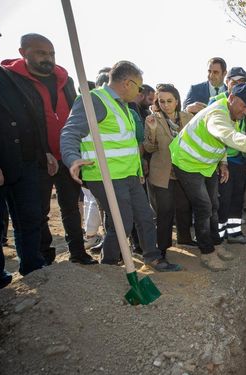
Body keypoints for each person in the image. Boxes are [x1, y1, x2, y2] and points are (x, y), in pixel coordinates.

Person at [61, 60, 180, 272]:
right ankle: (109, 264)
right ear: (127, 83)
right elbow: (70, 131)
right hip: (106, 175)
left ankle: (152, 257)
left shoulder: (124, 106)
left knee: (145, 217)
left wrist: (138, 170)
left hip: (130, 175)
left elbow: (126, 143)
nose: (140, 91)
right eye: (139, 86)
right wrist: (71, 158)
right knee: (122, 222)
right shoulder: (94, 100)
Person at [2, 33, 96, 265]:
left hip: (67, 156)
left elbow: (76, 115)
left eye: (51, 53)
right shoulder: (12, 80)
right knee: (39, 211)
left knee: (71, 208)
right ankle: (45, 257)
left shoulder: (66, 80)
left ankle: (77, 251)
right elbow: (19, 121)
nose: (48, 58)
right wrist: (41, 150)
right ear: (23, 53)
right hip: (36, 158)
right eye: (41, 53)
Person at [170, 83, 246, 270]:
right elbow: (226, 134)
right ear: (231, 98)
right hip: (187, 163)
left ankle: (216, 244)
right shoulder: (217, 113)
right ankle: (207, 253)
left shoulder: (233, 114)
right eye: (244, 106)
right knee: (204, 207)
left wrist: (223, 163)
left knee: (214, 205)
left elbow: (220, 140)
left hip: (207, 165)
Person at [0, 11, 52, 292]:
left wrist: (44, 151)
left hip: (24, 161)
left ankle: (32, 266)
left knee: (30, 217)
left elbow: (30, 115)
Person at [142, 84, 193, 257]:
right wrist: (153, 130)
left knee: (184, 207)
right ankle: (162, 247)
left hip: (184, 170)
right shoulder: (153, 119)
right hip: (162, 172)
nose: (166, 105)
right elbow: (149, 148)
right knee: (165, 211)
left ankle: (185, 238)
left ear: (177, 101)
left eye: (169, 101)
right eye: (162, 101)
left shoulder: (188, 117)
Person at [211, 67, 246, 245]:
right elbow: (216, 134)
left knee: (238, 196)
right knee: (223, 198)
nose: (237, 86)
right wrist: (222, 162)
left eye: (242, 83)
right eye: (234, 82)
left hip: (239, 159)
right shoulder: (216, 102)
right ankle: (219, 237)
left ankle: (235, 233)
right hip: (222, 161)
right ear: (227, 82)